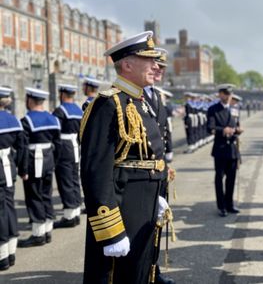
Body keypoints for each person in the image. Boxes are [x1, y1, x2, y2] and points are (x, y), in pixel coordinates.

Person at [80, 31, 174, 284]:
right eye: (149, 59)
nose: (156, 65)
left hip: (144, 203)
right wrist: (109, 230)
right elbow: (95, 171)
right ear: (127, 64)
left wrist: (159, 195)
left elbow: (153, 156)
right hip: (122, 207)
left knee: (141, 272)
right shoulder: (108, 104)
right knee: (116, 275)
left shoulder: (141, 103)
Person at [18, 88, 61, 247]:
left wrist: (22, 169)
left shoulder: (26, 121)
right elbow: (58, 145)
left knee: (34, 196)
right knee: (46, 195)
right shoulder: (53, 119)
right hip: (48, 160)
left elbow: (22, 148)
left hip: (33, 162)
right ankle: (47, 230)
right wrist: (54, 162)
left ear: (29, 100)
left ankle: (38, 234)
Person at [0, 87, 27, 270]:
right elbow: (23, 147)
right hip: (8, 167)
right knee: (8, 207)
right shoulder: (13, 119)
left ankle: (2, 255)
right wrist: (21, 168)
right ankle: (10, 251)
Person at [207, 84, 243, 217]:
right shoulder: (213, 109)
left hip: (232, 149)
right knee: (219, 178)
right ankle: (221, 206)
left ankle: (230, 204)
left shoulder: (234, 109)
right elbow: (210, 127)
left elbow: (237, 125)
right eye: (226, 94)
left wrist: (238, 130)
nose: (228, 97)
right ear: (220, 94)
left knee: (232, 179)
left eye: (230, 94)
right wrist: (223, 130)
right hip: (220, 149)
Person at [52, 84, 83, 228]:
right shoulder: (78, 109)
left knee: (65, 181)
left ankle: (69, 216)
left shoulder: (60, 110)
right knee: (74, 179)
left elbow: (55, 132)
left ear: (63, 95)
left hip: (64, 147)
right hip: (75, 146)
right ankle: (75, 212)